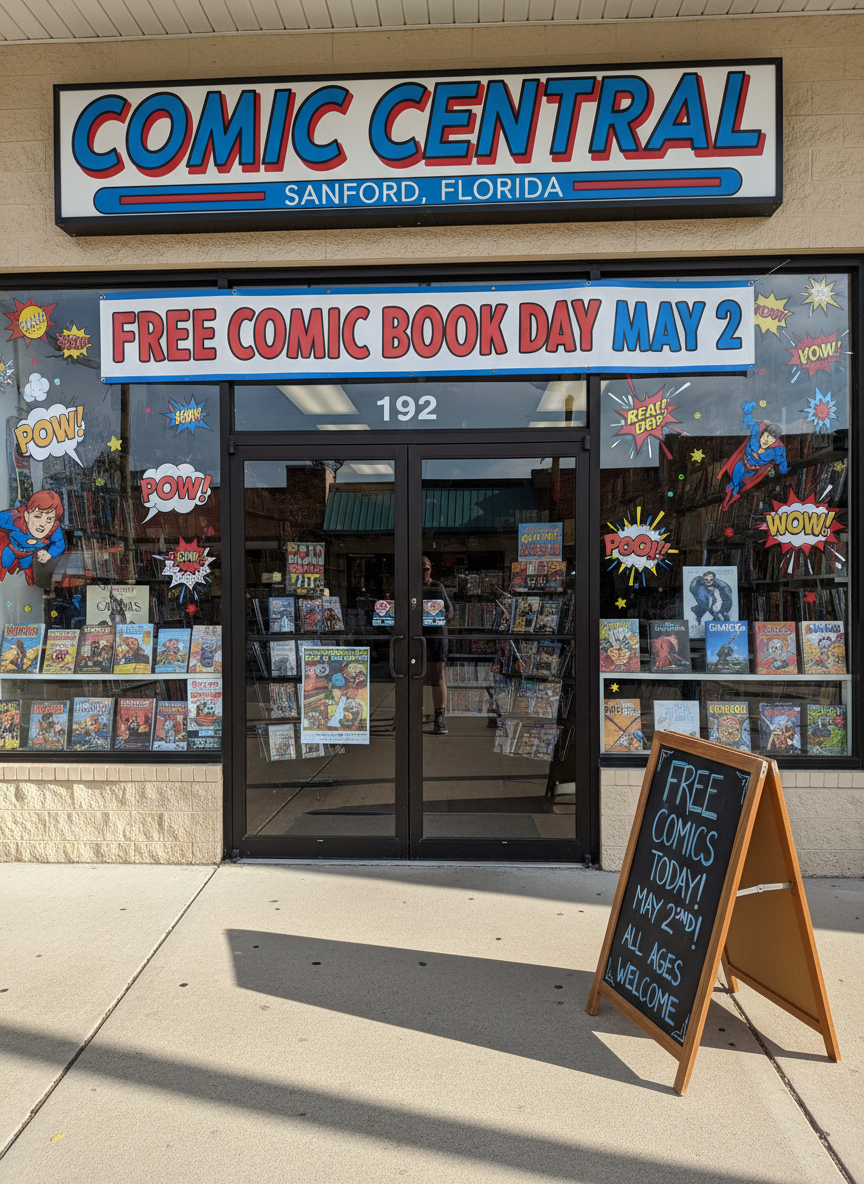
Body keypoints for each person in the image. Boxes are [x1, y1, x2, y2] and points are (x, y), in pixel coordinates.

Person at [0, 489, 65, 583]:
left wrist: (49, 554)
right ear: (27, 515)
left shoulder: (54, 529)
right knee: (5, 563)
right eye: (38, 516)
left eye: (49, 519)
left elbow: (59, 543)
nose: (43, 523)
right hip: (12, 548)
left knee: (26, 567)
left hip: (29, 553)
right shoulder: (16, 518)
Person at [422, 555, 453, 735]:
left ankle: (439, 719)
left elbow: (451, 611)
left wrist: (437, 616)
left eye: (426, 569)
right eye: (420, 570)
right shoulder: (411, 586)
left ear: (431, 568)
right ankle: (415, 715)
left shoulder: (437, 587)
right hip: (417, 636)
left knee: (438, 676)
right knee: (416, 677)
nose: (423, 573)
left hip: (436, 635)